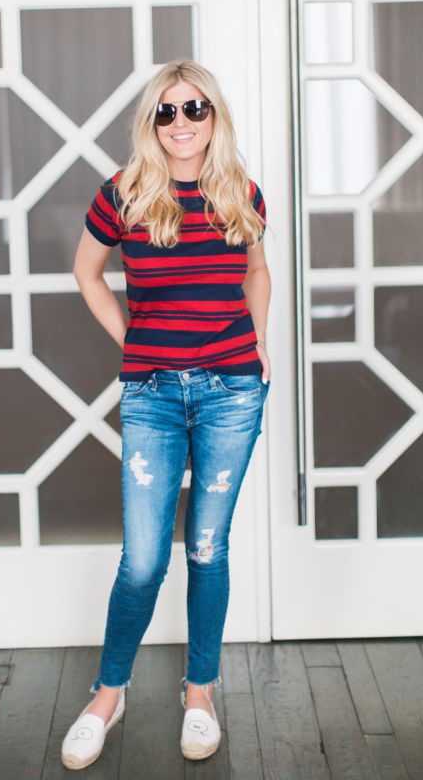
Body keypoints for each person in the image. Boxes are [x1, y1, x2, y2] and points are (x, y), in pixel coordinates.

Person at [62, 59, 271, 769]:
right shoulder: (123, 193)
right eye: (167, 111)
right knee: (145, 560)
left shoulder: (239, 191)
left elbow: (257, 271)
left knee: (207, 549)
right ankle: (108, 695)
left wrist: (259, 342)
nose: (181, 122)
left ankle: (200, 692)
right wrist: (133, 340)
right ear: (151, 121)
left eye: (195, 108)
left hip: (231, 392)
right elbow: (86, 272)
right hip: (152, 394)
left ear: (214, 117)